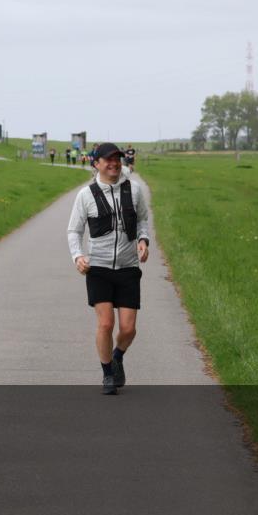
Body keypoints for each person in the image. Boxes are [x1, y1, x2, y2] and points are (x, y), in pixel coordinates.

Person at [67, 143, 150, 395]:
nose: (114, 163)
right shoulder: (86, 195)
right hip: (99, 268)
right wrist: (77, 256)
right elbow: (74, 230)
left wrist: (143, 240)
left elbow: (143, 220)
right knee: (105, 324)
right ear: (96, 164)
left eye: (117, 159)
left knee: (128, 329)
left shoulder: (134, 190)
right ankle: (107, 374)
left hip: (128, 268)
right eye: (108, 159)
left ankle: (117, 356)